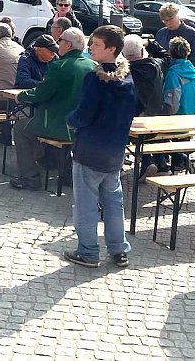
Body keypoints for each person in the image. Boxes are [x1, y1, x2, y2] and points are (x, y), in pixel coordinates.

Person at [63, 25, 136, 268]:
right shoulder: (127, 78)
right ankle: (118, 250)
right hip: (114, 149)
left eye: (95, 44)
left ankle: (88, 251)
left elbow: (85, 114)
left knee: (86, 203)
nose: (90, 48)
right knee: (113, 201)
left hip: (91, 148)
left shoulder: (95, 79)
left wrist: (70, 120)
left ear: (111, 48)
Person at [10, 28, 95, 190]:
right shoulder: (92, 65)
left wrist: (21, 96)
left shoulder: (60, 66)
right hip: (84, 127)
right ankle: (63, 170)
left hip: (60, 125)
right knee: (32, 126)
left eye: (60, 40)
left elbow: (41, 93)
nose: (57, 44)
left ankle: (30, 177)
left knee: (20, 128)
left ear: (68, 45)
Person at [122, 34, 166, 180]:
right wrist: (150, 42)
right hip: (156, 118)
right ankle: (160, 163)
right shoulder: (156, 65)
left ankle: (148, 162)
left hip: (132, 122)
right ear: (142, 51)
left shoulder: (124, 72)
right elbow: (166, 55)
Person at [158, 37, 195, 173]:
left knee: (152, 136)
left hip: (177, 119)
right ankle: (181, 160)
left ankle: (175, 161)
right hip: (190, 116)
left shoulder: (173, 73)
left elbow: (171, 103)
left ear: (170, 53)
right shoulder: (192, 70)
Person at [155, 3, 195, 68]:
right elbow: (155, 56)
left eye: (171, 19)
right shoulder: (161, 33)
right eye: (165, 20)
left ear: (178, 16)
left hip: (183, 73)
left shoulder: (192, 33)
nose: (168, 23)